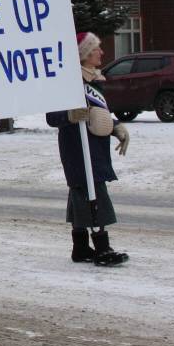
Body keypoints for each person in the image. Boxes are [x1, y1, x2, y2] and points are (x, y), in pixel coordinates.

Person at [46, 32, 130, 267]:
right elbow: (52, 117)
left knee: (81, 193)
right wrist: (70, 116)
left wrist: (116, 127)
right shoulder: (68, 82)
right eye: (96, 49)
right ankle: (102, 247)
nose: (101, 53)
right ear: (83, 54)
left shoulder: (94, 81)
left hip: (95, 147)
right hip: (76, 148)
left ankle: (81, 247)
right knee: (91, 192)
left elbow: (99, 114)